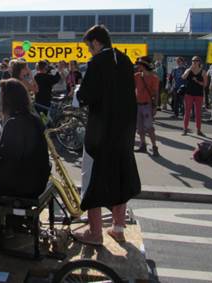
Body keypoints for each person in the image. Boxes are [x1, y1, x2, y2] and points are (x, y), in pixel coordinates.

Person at [75, 25, 141, 245]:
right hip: (124, 132)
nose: (89, 51)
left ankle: (95, 233)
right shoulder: (125, 60)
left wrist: (76, 94)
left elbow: (86, 95)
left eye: (89, 46)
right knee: (120, 176)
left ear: (95, 42)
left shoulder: (96, 63)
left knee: (91, 178)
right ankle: (118, 229)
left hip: (100, 133)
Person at [0, 78, 51, 220]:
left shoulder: (14, 123)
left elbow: (5, 166)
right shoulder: (34, 118)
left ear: (8, 100)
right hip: (38, 179)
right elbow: (20, 150)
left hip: (25, 185)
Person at [133, 56, 160, 156]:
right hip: (138, 105)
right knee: (139, 128)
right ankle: (143, 145)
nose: (137, 66)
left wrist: (155, 107)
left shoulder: (154, 78)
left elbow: (156, 94)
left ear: (144, 65)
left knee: (149, 128)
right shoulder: (136, 76)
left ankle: (154, 147)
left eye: (139, 64)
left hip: (147, 105)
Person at [182, 56, 207, 136]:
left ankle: (198, 130)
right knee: (187, 112)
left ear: (199, 62)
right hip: (188, 94)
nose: (194, 62)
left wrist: (198, 81)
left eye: (196, 60)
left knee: (198, 113)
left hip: (199, 94)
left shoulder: (203, 72)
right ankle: (185, 129)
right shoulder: (188, 70)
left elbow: (205, 84)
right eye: (193, 60)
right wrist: (189, 69)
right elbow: (183, 77)